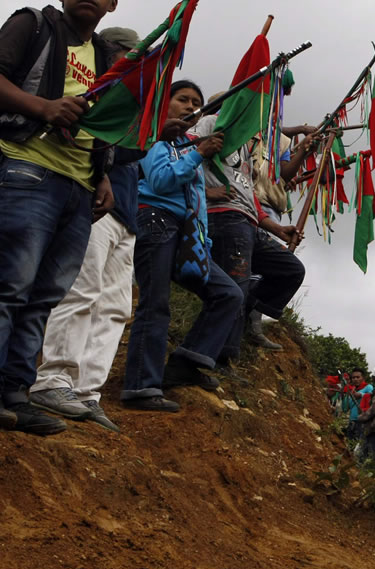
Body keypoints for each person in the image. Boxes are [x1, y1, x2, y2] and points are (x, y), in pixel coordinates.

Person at [0, 0, 120, 434]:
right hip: (26, 169)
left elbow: (103, 127)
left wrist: (103, 174)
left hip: (79, 189)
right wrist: (43, 107)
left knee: (44, 297)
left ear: (113, 2)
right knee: (10, 284)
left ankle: (14, 393)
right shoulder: (33, 24)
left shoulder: (108, 59)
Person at [27, 26, 140, 433]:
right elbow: (96, 143)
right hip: (93, 204)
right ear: (113, 52)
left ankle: (87, 391)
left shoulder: (135, 101)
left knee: (115, 308)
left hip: (127, 215)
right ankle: (53, 379)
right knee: (81, 292)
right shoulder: (98, 92)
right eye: (129, 53)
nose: (135, 62)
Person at [119, 81, 242, 412]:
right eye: (182, 99)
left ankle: (185, 363)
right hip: (155, 220)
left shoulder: (190, 145)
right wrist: (199, 154)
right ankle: (140, 387)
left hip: (188, 234)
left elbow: (198, 199)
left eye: (195, 103)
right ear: (165, 103)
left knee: (228, 294)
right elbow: (160, 181)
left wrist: (204, 241)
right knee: (155, 303)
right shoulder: (155, 137)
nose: (190, 106)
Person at [192, 113, 306, 370]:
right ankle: (222, 358)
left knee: (291, 269)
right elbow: (183, 160)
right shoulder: (211, 128)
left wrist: (277, 229)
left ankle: (248, 310)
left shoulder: (245, 148)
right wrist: (207, 191)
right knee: (237, 287)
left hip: (251, 223)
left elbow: (250, 197)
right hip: (225, 218)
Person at [246, 122, 317, 350]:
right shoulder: (244, 125)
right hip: (245, 201)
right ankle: (243, 323)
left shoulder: (282, 141)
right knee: (246, 265)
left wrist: (303, 150)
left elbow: (285, 173)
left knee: (266, 269)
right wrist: (300, 129)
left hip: (271, 208)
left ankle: (250, 322)